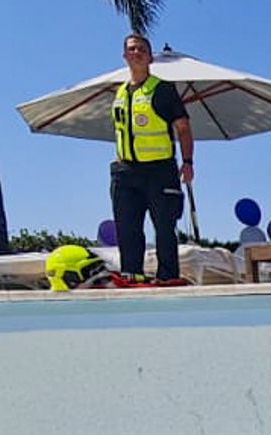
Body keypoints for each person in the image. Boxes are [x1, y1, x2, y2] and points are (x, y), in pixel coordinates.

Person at [109, 33, 195, 286]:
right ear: (125, 56)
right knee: (127, 226)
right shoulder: (120, 93)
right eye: (132, 49)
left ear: (150, 57)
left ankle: (167, 275)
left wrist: (187, 162)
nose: (137, 53)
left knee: (164, 227)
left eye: (142, 49)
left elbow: (183, 128)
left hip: (159, 170)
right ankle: (131, 273)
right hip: (125, 171)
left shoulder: (162, 89)